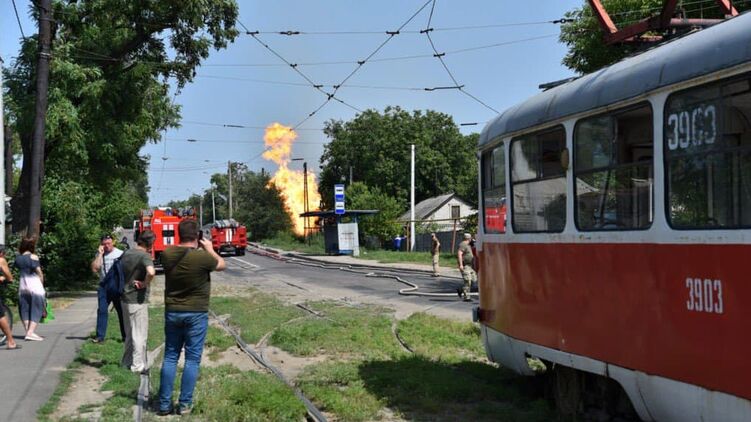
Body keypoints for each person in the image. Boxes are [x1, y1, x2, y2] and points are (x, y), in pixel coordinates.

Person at [157, 219, 226, 416]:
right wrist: (210, 249)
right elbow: (222, 264)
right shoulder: (203, 257)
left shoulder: (167, 254)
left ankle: (164, 404)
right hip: (196, 313)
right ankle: (184, 404)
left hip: (173, 311)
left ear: (178, 234)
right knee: (192, 359)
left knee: (170, 356)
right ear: (198, 236)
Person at [120, 230, 156, 373]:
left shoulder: (126, 253)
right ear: (150, 243)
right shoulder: (144, 255)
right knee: (139, 334)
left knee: (129, 333)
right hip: (137, 299)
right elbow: (151, 272)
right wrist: (144, 283)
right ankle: (137, 365)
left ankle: (126, 362)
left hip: (124, 297)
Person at [91, 235, 125, 343]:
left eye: (109, 243)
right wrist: (100, 254)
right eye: (104, 244)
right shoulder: (99, 254)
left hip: (116, 286)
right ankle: (100, 337)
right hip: (103, 287)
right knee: (102, 310)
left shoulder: (120, 253)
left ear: (113, 243)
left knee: (121, 311)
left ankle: (125, 336)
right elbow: (95, 269)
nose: (107, 246)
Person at [16, 237, 46, 341]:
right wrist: (42, 284)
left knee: (24, 309)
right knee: (37, 308)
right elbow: (39, 272)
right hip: (35, 285)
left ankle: (28, 332)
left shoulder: (18, 258)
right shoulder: (34, 257)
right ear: (32, 246)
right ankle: (30, 333)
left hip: (23, 286)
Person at [0, 246, 20, 350]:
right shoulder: (1, 260)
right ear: (1, 253)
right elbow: (9, 277)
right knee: (0, 316)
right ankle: (11, 342)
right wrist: (4, 278)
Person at [456, 233, 476, 302]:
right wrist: (461, 265)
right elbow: (459, 254)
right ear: (468, 238)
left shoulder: (470, 244)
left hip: (471, 265)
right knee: (468, 281)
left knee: (474, 280)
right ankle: (467, 297)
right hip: (465, 265)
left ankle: (461, 290)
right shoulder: (463, 244)